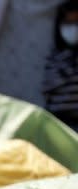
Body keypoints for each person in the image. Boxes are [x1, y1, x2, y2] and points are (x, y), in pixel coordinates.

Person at [43, 0, 78, 129]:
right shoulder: (56, 56)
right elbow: (49, 86)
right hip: (59, 122)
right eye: (69, 23)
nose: (73, 28)